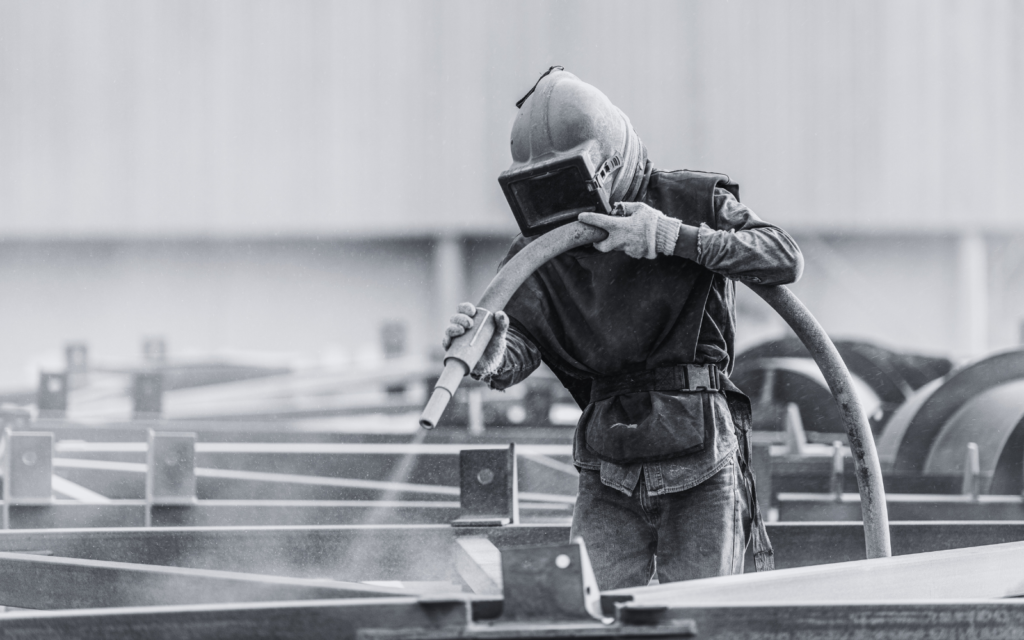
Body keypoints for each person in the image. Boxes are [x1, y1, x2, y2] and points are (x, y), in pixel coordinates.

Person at [442, 69, 803, 589]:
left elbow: (782, 256)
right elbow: (519, 344)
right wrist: (490, 352)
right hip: (608, 459)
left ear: (607, 165)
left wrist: (672, 236)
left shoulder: (690, 203)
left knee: (702, 617)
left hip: (699, 446)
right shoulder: (542, 251)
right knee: (592, 613)